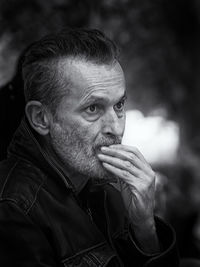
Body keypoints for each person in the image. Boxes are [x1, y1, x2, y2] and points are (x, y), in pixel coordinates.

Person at [0, 28, 179, 266]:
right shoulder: (13, 208)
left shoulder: (108, 190)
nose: (116, 128)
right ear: (41, 118)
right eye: (93, 108)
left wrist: (144, 226)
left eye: (119, 105)